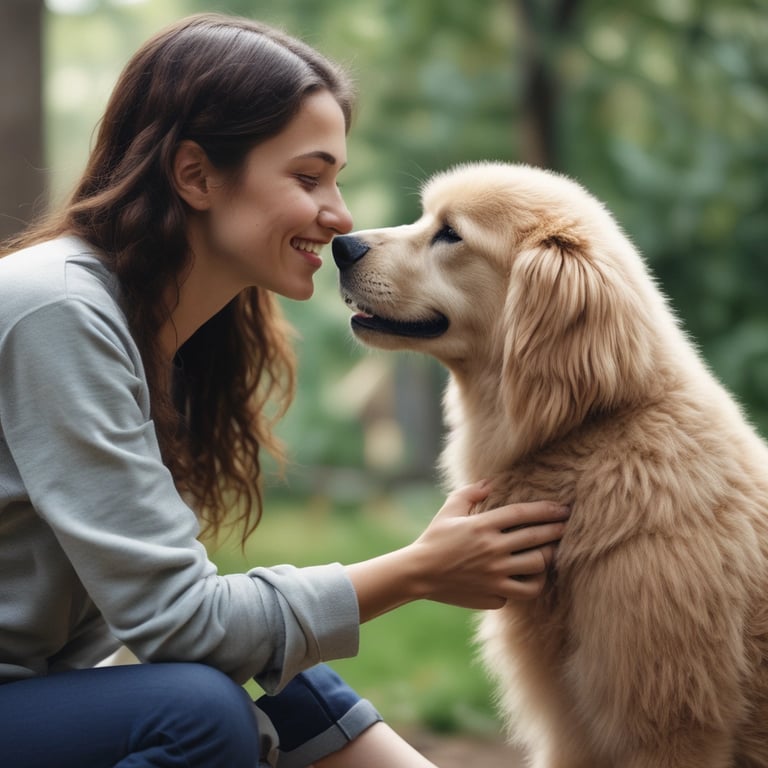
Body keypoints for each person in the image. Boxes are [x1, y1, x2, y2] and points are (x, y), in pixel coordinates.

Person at [0, 12, 569, 768]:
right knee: (198, 715)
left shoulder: (154, 332)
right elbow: (179, 624)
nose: (340, 217)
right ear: (195, 174)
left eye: (336, 177)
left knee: (274, 669)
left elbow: (174, 624)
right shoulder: (59, 311)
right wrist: (418, 570)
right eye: (308, 177)